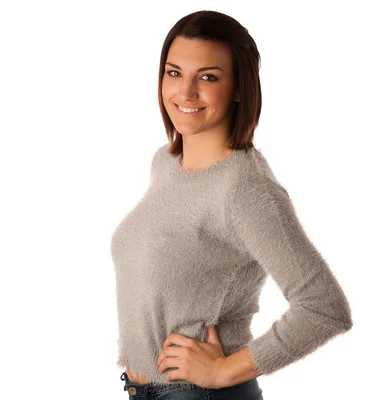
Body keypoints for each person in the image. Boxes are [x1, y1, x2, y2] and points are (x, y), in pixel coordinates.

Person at [111, 10, 353, 399]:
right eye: (174, 73)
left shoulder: (244, 189)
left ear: (239, 88)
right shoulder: (166, 164)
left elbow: (324, 308)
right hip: (145, 392)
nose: (185, 92)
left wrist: (224, 370)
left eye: (207, 77)